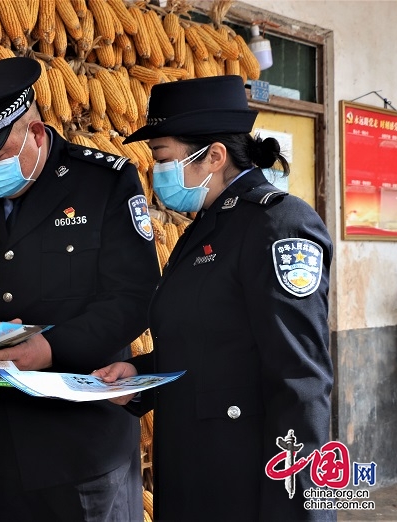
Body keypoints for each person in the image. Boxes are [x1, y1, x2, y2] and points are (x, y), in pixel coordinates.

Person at [0, 57, 160, 521]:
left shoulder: (101, 182)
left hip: (85, 443)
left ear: (37, 134)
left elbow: (137, 296)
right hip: (1, 439)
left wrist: (49, 348)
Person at [93, 75, 335, 521]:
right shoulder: (204, 228)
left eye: (163, 158)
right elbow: (214, 343)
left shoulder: (277, 225)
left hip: (248, 479)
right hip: (194, 469)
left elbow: (300, 379)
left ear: (215, 156)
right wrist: (139, 373)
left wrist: (306, 507)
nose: (155, 174)